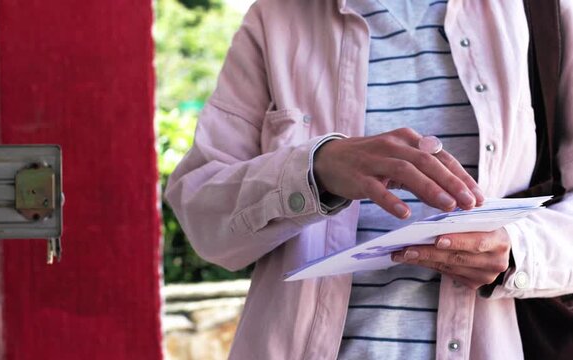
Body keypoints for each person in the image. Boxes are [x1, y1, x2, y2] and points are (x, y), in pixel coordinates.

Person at [164, 0, 573, 358]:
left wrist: (517, 249)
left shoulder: (544, 15)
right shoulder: (274, 18)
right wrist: (316, 168)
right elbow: (202, 216)